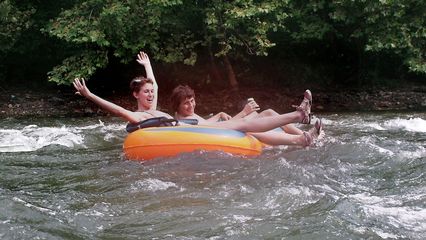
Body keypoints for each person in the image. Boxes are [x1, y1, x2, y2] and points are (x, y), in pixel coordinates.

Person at [73, 51, 321, 146]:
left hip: (193, 126)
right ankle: (300, 119)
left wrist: (148, 67)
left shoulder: (155, 105)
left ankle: (301, 126)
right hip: (183, 130)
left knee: (245, 125)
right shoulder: (138, 115)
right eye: (145, 92)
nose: (150, 94)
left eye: (152, 91)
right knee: (245, 125)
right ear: (136, 95)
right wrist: (89, 94)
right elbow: (116, 110)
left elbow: (156, 84)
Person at [170, 85, 320, 146]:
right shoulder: (181, 120)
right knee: (248, 127)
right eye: (186, 103)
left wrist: (220, 114)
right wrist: (244, 112)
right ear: (177, 106)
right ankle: (301, 130)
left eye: (192, 101)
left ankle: (305, 133)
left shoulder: (190, 116)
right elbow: (214, 127)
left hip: (216, 128)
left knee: (266, 112)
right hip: (216, 134)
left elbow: (206, 122)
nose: (191, 105)